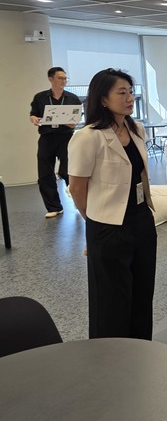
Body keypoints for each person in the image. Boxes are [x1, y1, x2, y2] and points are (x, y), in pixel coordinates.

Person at [68, 69, 157, 339]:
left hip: (141, 219)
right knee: (110, 300)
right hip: (107, 227)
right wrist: (94, 219)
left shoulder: (136, 128)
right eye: (122, 93)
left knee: (142, 292)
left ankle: (141, 348)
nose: (130, 98)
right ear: (103, 99)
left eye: (131, 92)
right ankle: (110, 356)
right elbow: (77, 188)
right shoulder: (88, 136)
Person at [29, 67, 82, 218]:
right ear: (50, 79)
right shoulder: (40, 97)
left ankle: (79, 200)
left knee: (68, 171)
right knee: (45, 173)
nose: (64, 81)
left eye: (65, 78)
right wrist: (34, 119)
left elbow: (77, 117)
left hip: (66, 137)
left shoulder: (72, 98)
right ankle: (54, 207)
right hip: (47, 137)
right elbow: (33, 114)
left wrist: (73, 123)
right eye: (60, 78)